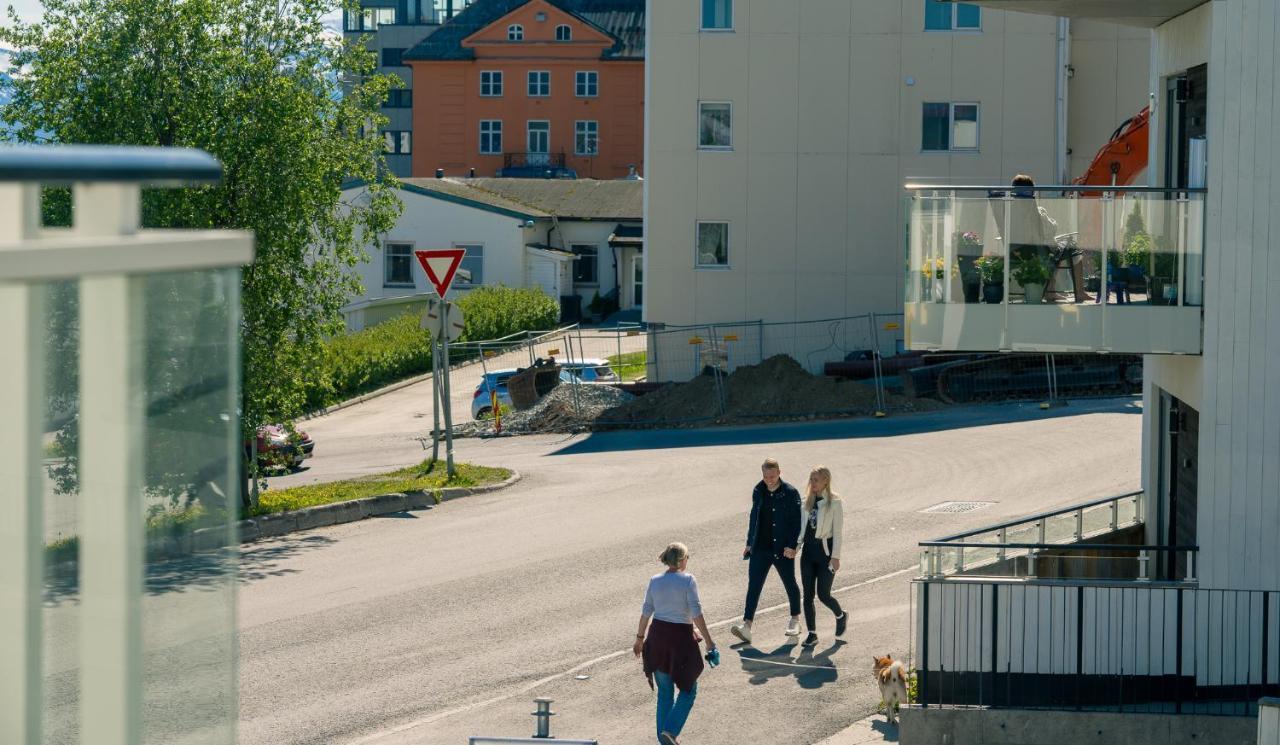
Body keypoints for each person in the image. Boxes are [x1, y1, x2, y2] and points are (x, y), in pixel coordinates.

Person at [635, 542, 716, 745]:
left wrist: (639, 639)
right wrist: (709, 641)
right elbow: (696, 613)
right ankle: (670, 732)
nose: (688, 560)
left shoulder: (655, 581)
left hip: (657, 639)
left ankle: (665, 740)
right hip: (680, 642)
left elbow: (646, 612)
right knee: (689, 690)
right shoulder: (688, 580)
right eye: (688, 557)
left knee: (664, 694)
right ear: (681, 560)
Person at [730, 458, 802, 645]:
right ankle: (747, 626)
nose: (768, 480)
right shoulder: (758, 490)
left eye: (772, 476)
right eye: (765, 476)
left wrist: (792, 546)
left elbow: (796, 522)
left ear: (779, 472)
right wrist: (749, 543)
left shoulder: (790, 492)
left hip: (782, 548)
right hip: (760, 547)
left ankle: (795, 620)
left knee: (790, 583)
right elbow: (754, 516)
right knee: (754, 586)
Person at [795, 466, 847, 647]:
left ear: (826, 481)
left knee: (823, 595)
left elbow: (838, 533)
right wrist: (796, 547)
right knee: (807, 596)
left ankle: (841, 615)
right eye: (811, 479)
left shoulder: (835, 502)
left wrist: (836, 557)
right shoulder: (805, 502)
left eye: (816, 480)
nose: (813, 483)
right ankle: (812, 634)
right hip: (808, 554)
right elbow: (801, 529)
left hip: (825, 554)